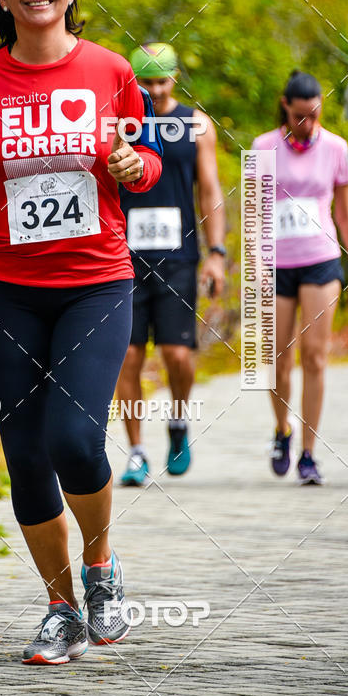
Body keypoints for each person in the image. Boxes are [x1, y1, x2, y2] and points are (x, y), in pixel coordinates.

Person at [0, 0, 162, 664]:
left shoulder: (109, 70)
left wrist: (136, 166)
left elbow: (145, 159)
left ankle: (100, 567)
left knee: (74, 441)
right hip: (7, 292)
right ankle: (61, 610)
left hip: (95, 284)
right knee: (26, 458)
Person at [116, 43, 226, 485]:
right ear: (133, 82)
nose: (156, 91)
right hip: (123, 256)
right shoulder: (119, 122)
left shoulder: (197, 125)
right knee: (127, 355)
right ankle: (136, 451)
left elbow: (210, 189)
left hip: (178, 255)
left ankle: (178, 423)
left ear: (175, 78)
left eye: (162, 81)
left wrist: (217, 254)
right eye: (146, 83)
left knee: (177, 354)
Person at [252, 71, 348, 485]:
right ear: (285, 106)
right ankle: (282, 430)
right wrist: (256, 266)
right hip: (276, 264)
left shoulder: (337, 148)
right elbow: (255, 213)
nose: (307, 124)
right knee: (278, 359)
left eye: (314, 115)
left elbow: (344, 212)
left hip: (320, 260)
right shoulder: (263, 147)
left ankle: (309, 453)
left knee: (314, 356)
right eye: (299, 116)